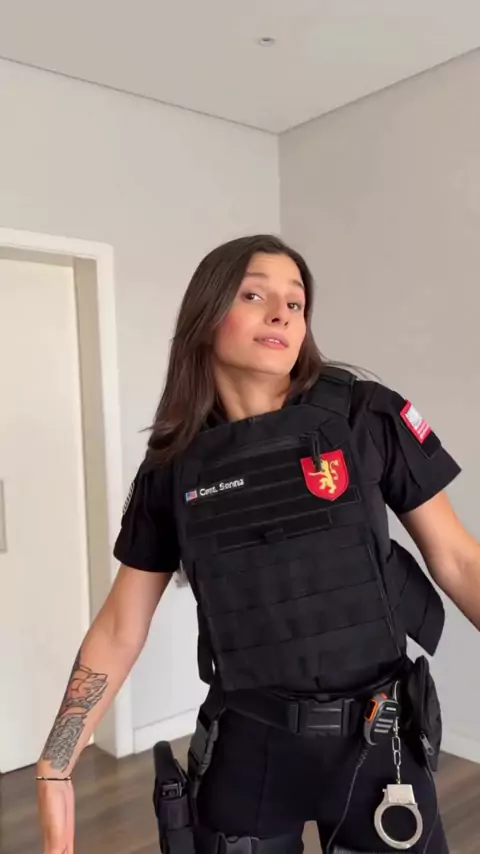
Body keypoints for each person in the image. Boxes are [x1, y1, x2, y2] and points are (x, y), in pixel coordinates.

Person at [36, 235, 480, 854]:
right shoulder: (173, 467)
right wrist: (57, 759)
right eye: (253, 296)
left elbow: (459, 560)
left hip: (378, 743)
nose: (281, 315)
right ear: (207, 313)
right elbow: (119, 627)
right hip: (249, 746)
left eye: (295, 303)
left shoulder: (365, 418)